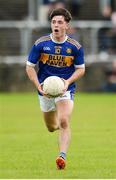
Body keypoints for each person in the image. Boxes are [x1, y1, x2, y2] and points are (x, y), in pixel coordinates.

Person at [26, 8, 85, 170]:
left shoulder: (75, 47)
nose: (56, 25)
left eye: (60, 22)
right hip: (44, 90)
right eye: (53, 22)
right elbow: (29, 67)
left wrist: (67, 82)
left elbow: (81, 69)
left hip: (65, 89)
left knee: (64, 120)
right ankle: (61, 128)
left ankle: (62, 156)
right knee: (52, 127)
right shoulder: (40, 44)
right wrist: (38, 86)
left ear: (67, 25)